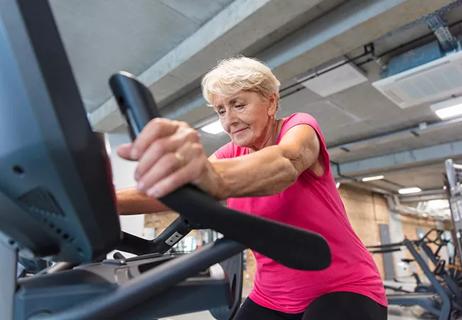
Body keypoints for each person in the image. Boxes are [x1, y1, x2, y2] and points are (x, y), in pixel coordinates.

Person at [116, 56, 387, 320]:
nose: (229, 120)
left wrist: (203, 176)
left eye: (238, 105)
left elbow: (285, 162)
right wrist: (99, 203)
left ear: (271, 102)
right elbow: (167, 191)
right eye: (221, 110)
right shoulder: (227, 155)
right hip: (271, 296)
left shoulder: (298, 127)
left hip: (344, 287)